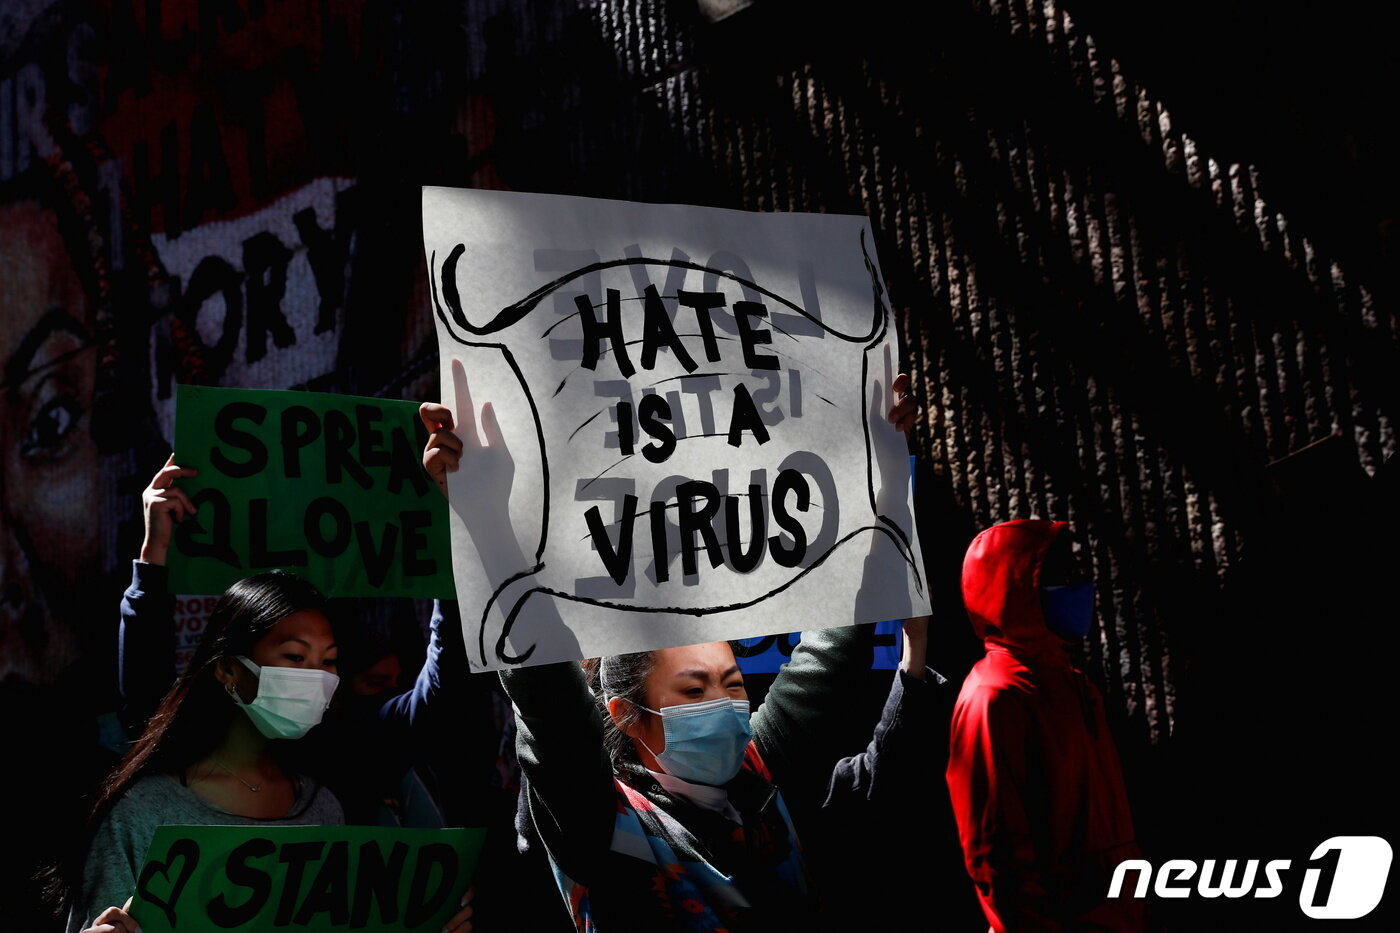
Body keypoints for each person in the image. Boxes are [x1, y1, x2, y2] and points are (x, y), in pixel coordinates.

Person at [420, 373, 940, 931]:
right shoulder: (602, 823)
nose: (725, 704)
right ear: (627, 714)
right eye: (694, 689)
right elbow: (549, 698)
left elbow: (834, 649)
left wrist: (873, 474)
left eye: (733, 684)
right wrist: (489, 527)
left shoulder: (759, 776)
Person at [945, 519, 1145, 932]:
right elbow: (995, 856)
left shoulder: (1075, 684)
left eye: (1078, 571)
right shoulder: (993, 696)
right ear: (1017, 589)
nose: (1080, 584)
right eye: (1061, 575)